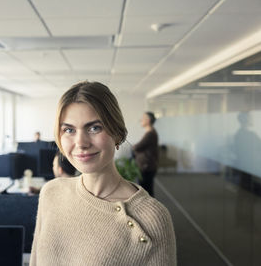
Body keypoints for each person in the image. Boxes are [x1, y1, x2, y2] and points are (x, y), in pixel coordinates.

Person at [30, 81, 176, 265]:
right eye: (69, 130)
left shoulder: (151, 217)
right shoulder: (51, 192)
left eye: (94, 128)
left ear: (117, 132)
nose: (81, 142)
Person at [133, 112, 159, 197]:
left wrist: (134, 147)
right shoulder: (150, 132)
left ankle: (152, 210)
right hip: (146, 166)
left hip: (146, 167)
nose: (141, 120)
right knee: (147, 190)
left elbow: (138, 147)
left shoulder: (150, 133)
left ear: (148, 120)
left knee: (147, 192)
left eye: (143, 118)